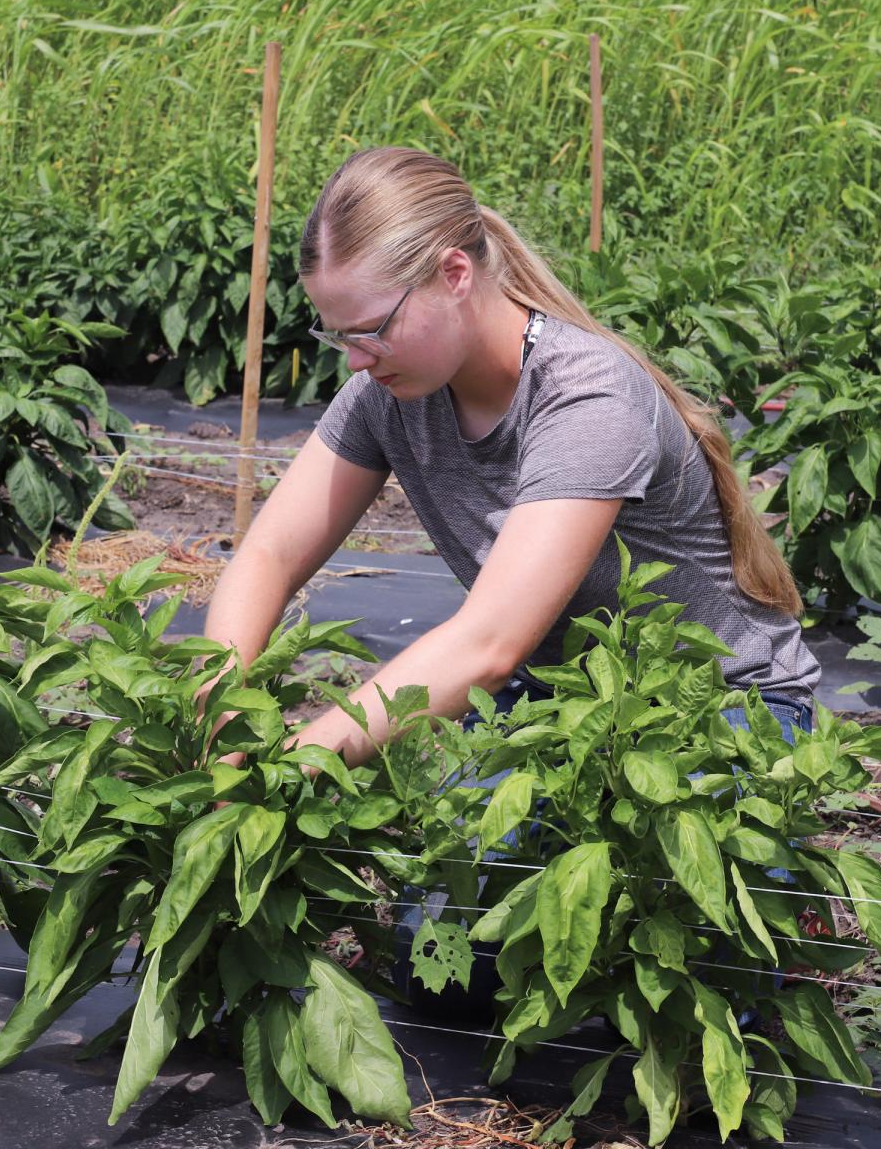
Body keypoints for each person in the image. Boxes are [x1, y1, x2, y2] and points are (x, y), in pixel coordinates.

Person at [203, 146, 819, 771]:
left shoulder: (587, 399)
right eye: (337, 335)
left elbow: (490, 645)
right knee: (447, 849)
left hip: (722, 705)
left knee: (492, 855)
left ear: (454, 274)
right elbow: (268, 554)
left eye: (371, 329)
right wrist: (213, 716)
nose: (356, 359)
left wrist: (287, 763)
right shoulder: (386, 392)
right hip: (561, 695)